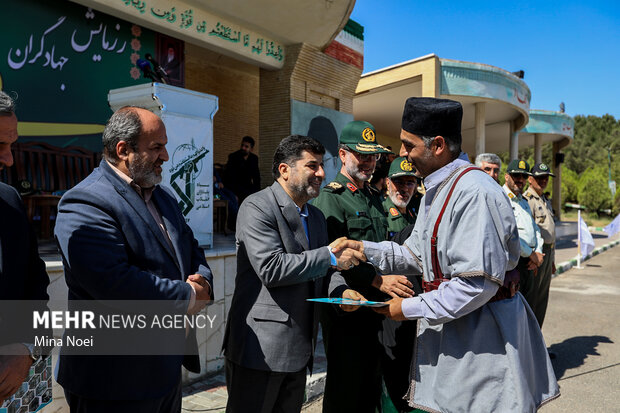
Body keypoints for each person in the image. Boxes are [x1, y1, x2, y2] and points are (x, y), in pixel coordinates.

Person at [332, 97, 559, 412]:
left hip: (485, 340)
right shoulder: (436, 190)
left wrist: (406, 307)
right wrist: (365, 249)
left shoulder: (475, 193)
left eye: (408, 145)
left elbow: (475, 285)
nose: (401, 154)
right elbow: (416, 254)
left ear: (437, 145)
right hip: (459, 334)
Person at [54, 106, 214, 412]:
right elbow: (113, 282)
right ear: (123, 150)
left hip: (165, 371)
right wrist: (188, 295)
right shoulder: (86, 201)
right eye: (156, 147)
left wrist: (203, 279)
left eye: (165, 146)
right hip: (113, 380)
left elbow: (191, 248)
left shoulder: (163, 196)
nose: (166, 156)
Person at [223, 135, 365, 413]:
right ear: (284, 170)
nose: (322, 173)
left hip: (300, 351)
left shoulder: (316, 218)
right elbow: (272, 268)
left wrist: (341, 291)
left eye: (322, 165)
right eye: (312, 166)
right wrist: (331, 255)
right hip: (260, 351)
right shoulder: (257, 206)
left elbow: (324, 271)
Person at [313, 120, 413, 413]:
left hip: (376, 308)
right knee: (346, 387)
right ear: (343, 155)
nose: (370, 163)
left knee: (371, 385)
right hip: (347, 307)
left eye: (373, 156)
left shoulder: (372, 197)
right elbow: (334, 257)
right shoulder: (332, 198)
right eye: (362, 155)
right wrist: (377, 281)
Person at [0, 90, 51, 404]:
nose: (8, 159)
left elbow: (36, 284)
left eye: (11, 144)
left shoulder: (10, 201)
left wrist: (25, 349)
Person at [503, 159, 545, 314]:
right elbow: (509, 235)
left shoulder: (524, 201)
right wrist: (532, 254)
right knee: (514, 311)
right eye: (516, 176)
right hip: (515, 262)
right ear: (507, 176)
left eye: (523, 176)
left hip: (530, 262)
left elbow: (536, 230)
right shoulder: (502, 198)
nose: (520, 179)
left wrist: (538, 254)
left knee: (529, 309)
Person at [524, 162, 556, 327]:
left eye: (546, 178)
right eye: (539, 177)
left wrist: (552, 260)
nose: (544, 180)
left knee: (542, 301)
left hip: (547, 254)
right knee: (532, 301)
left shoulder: (544, 199)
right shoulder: (528, 199)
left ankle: (538, 348)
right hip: (537, 255)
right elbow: (527, 232)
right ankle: (529, 349)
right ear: (530, 179)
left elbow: (551, 233)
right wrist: (533, 258)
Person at [384, 156, 418, 239]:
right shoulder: (380, 213)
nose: (405, 189)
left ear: (415, 187)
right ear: (388, 183)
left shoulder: (414, 215)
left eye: (410, 183)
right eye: (399, 182)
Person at [224, 136, 261, 205]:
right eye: (242, 145)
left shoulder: (254, 158)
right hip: (234, 187)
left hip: (248, 187)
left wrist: (257, 193)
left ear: (251, 149)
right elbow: (229, 177)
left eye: (246, 146)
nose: (243, 148)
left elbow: (256, 177)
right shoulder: (233, 157)